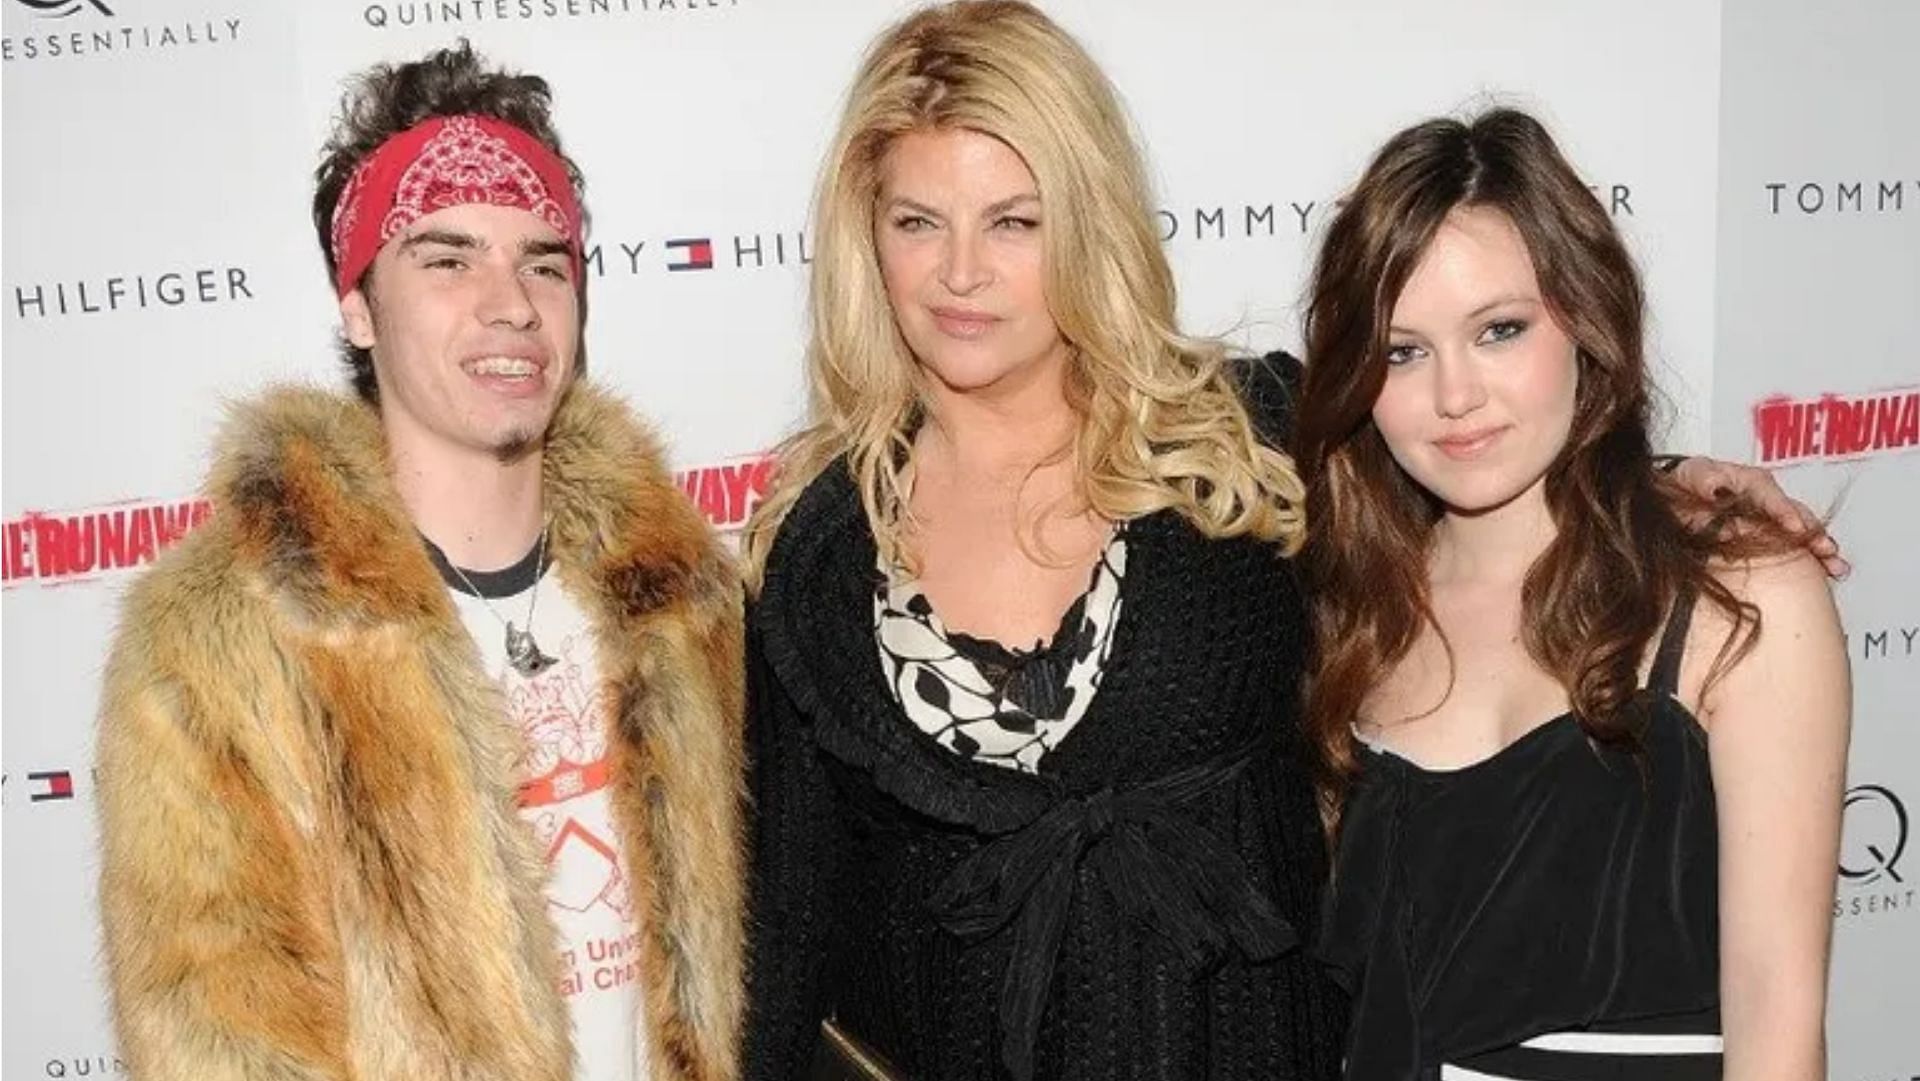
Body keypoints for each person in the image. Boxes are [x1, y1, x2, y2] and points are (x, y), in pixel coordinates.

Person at [94, 42, 745, 1081]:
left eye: (545, 260)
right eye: (447, 259)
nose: (511, 303)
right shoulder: (216, 645)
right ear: (357, 306)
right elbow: (214, 1038)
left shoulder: (681, 597)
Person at [737, 3, 1345, 1079]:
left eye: (1014, 222)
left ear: (1089, 220)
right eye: (918, 222)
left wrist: (1684, 508)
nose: (960, 273)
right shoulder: (822, 551)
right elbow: (790, 915)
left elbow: (1488, 556)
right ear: (863, 237)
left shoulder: (1246, 446)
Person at [1300, 108, 1850, 1080]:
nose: (1455, 394)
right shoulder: (1345, 607)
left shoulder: (1736, 598)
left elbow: (1778, 1020)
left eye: (1500, 329)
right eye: (1402, 350)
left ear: (1582, 315)